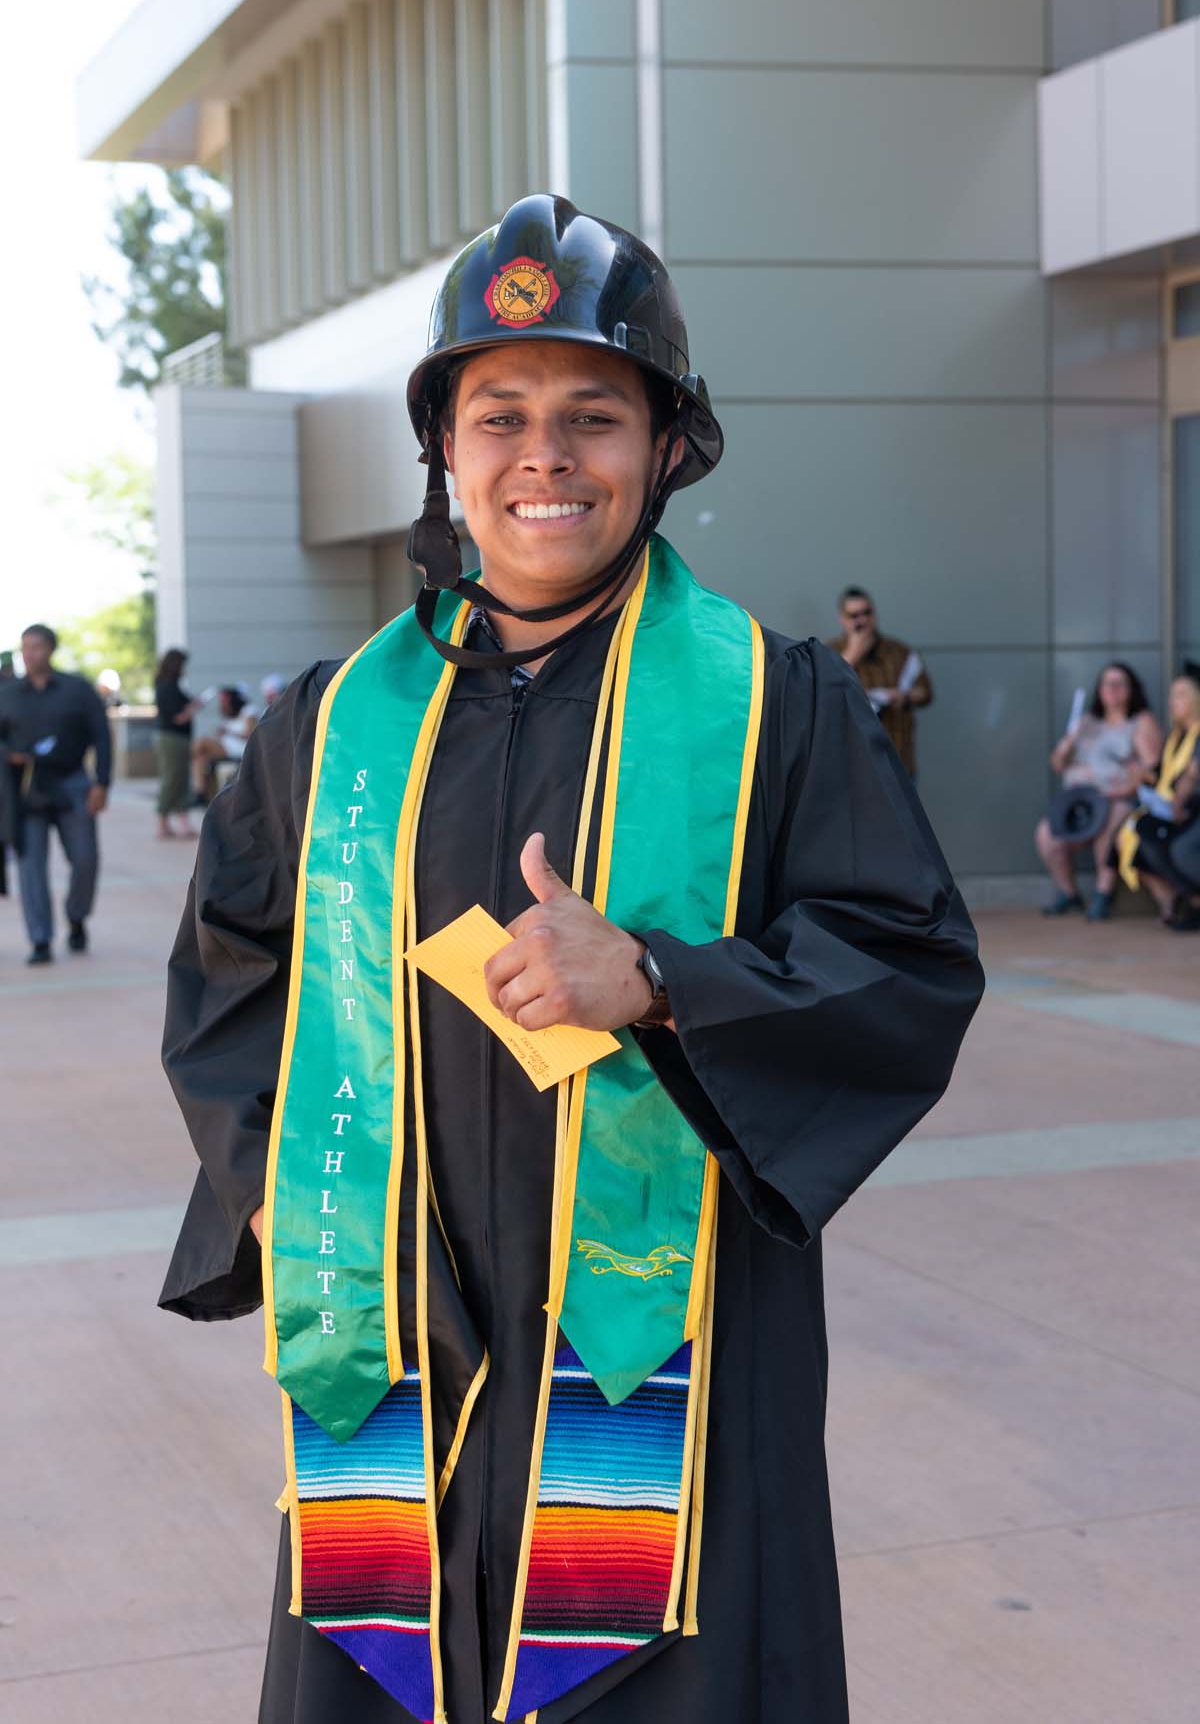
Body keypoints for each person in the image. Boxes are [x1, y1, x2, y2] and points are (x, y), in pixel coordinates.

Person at [159, 194, 984, 1724]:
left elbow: (910, 957)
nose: (545, 454)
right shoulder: (329, 726)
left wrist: (667, 982)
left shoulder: (775, 702)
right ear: (448, 455)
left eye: (594, 413)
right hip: (396, 1334)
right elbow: (229, 976)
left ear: (669, 447)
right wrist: (283, 1178)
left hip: (671, 1358)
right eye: (501, 414)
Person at [0, 623, 111, 964]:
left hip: (72, 782)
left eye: (35, 647)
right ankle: (40, 939)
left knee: (85, 860)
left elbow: (102, 736)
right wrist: (9, 755)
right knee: (30, 867)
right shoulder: (8, 693)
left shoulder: (77, 689)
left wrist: (102, 783)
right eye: (24, 648)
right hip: (26, 789)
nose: (29, 654)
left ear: (50, 649)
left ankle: (77, 916)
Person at [1036, 661, 1163, 921]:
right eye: (1108, 683)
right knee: (1046, 835)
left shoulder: (1140, 722)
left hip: (1118, 799)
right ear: (1100, 689)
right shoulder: (1085, 722)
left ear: (1131, 689)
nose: (1113, 689)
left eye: (1120, 683)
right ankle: (1069, 893)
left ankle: (1103, 894)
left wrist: (1126, 784)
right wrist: (1066, 746)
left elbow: (1154, 770)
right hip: (1079, 802)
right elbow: (1058, 763)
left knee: (1109, 824)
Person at [1116, 671, 1200, 924]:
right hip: (1177, 809)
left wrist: (1180, 797)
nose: (1173, 701)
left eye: (1181, 695)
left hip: (1193, 809)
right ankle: (1193, 900)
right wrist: (1143, 776)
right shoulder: (1176, 737)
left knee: (1181, 849)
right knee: (1146, 839)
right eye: (1172, 695)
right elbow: (1165, 774)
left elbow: (1191, 775)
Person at [828, 586, 932, 777]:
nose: (862, 620)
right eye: (854, 615)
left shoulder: (899, 651)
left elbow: (925, 692)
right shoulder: (828, 653)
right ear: (842, 619)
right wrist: (852, 654)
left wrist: (905, 696)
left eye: (867, 613)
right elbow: (822, 694)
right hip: (851, 765)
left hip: (897, 759)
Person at [154, 649, 202, 840]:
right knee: (172, 779)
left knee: (181, 780)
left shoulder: (170, 686)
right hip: (172, 738)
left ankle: (182, 823)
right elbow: (178, 717)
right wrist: (193, 709)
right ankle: (163, 821)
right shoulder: (167, 687)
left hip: (177, 738)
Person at [189, 684, 256, 803]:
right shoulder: (229, 716)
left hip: (238, 749)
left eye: (224, 702)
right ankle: (200, 794)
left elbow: (249, 734)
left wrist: (228, 731)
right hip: (225, 747)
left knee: (201, 743)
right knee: (200, 758)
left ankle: (186, 756)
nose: (222, 705)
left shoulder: (248, 711)